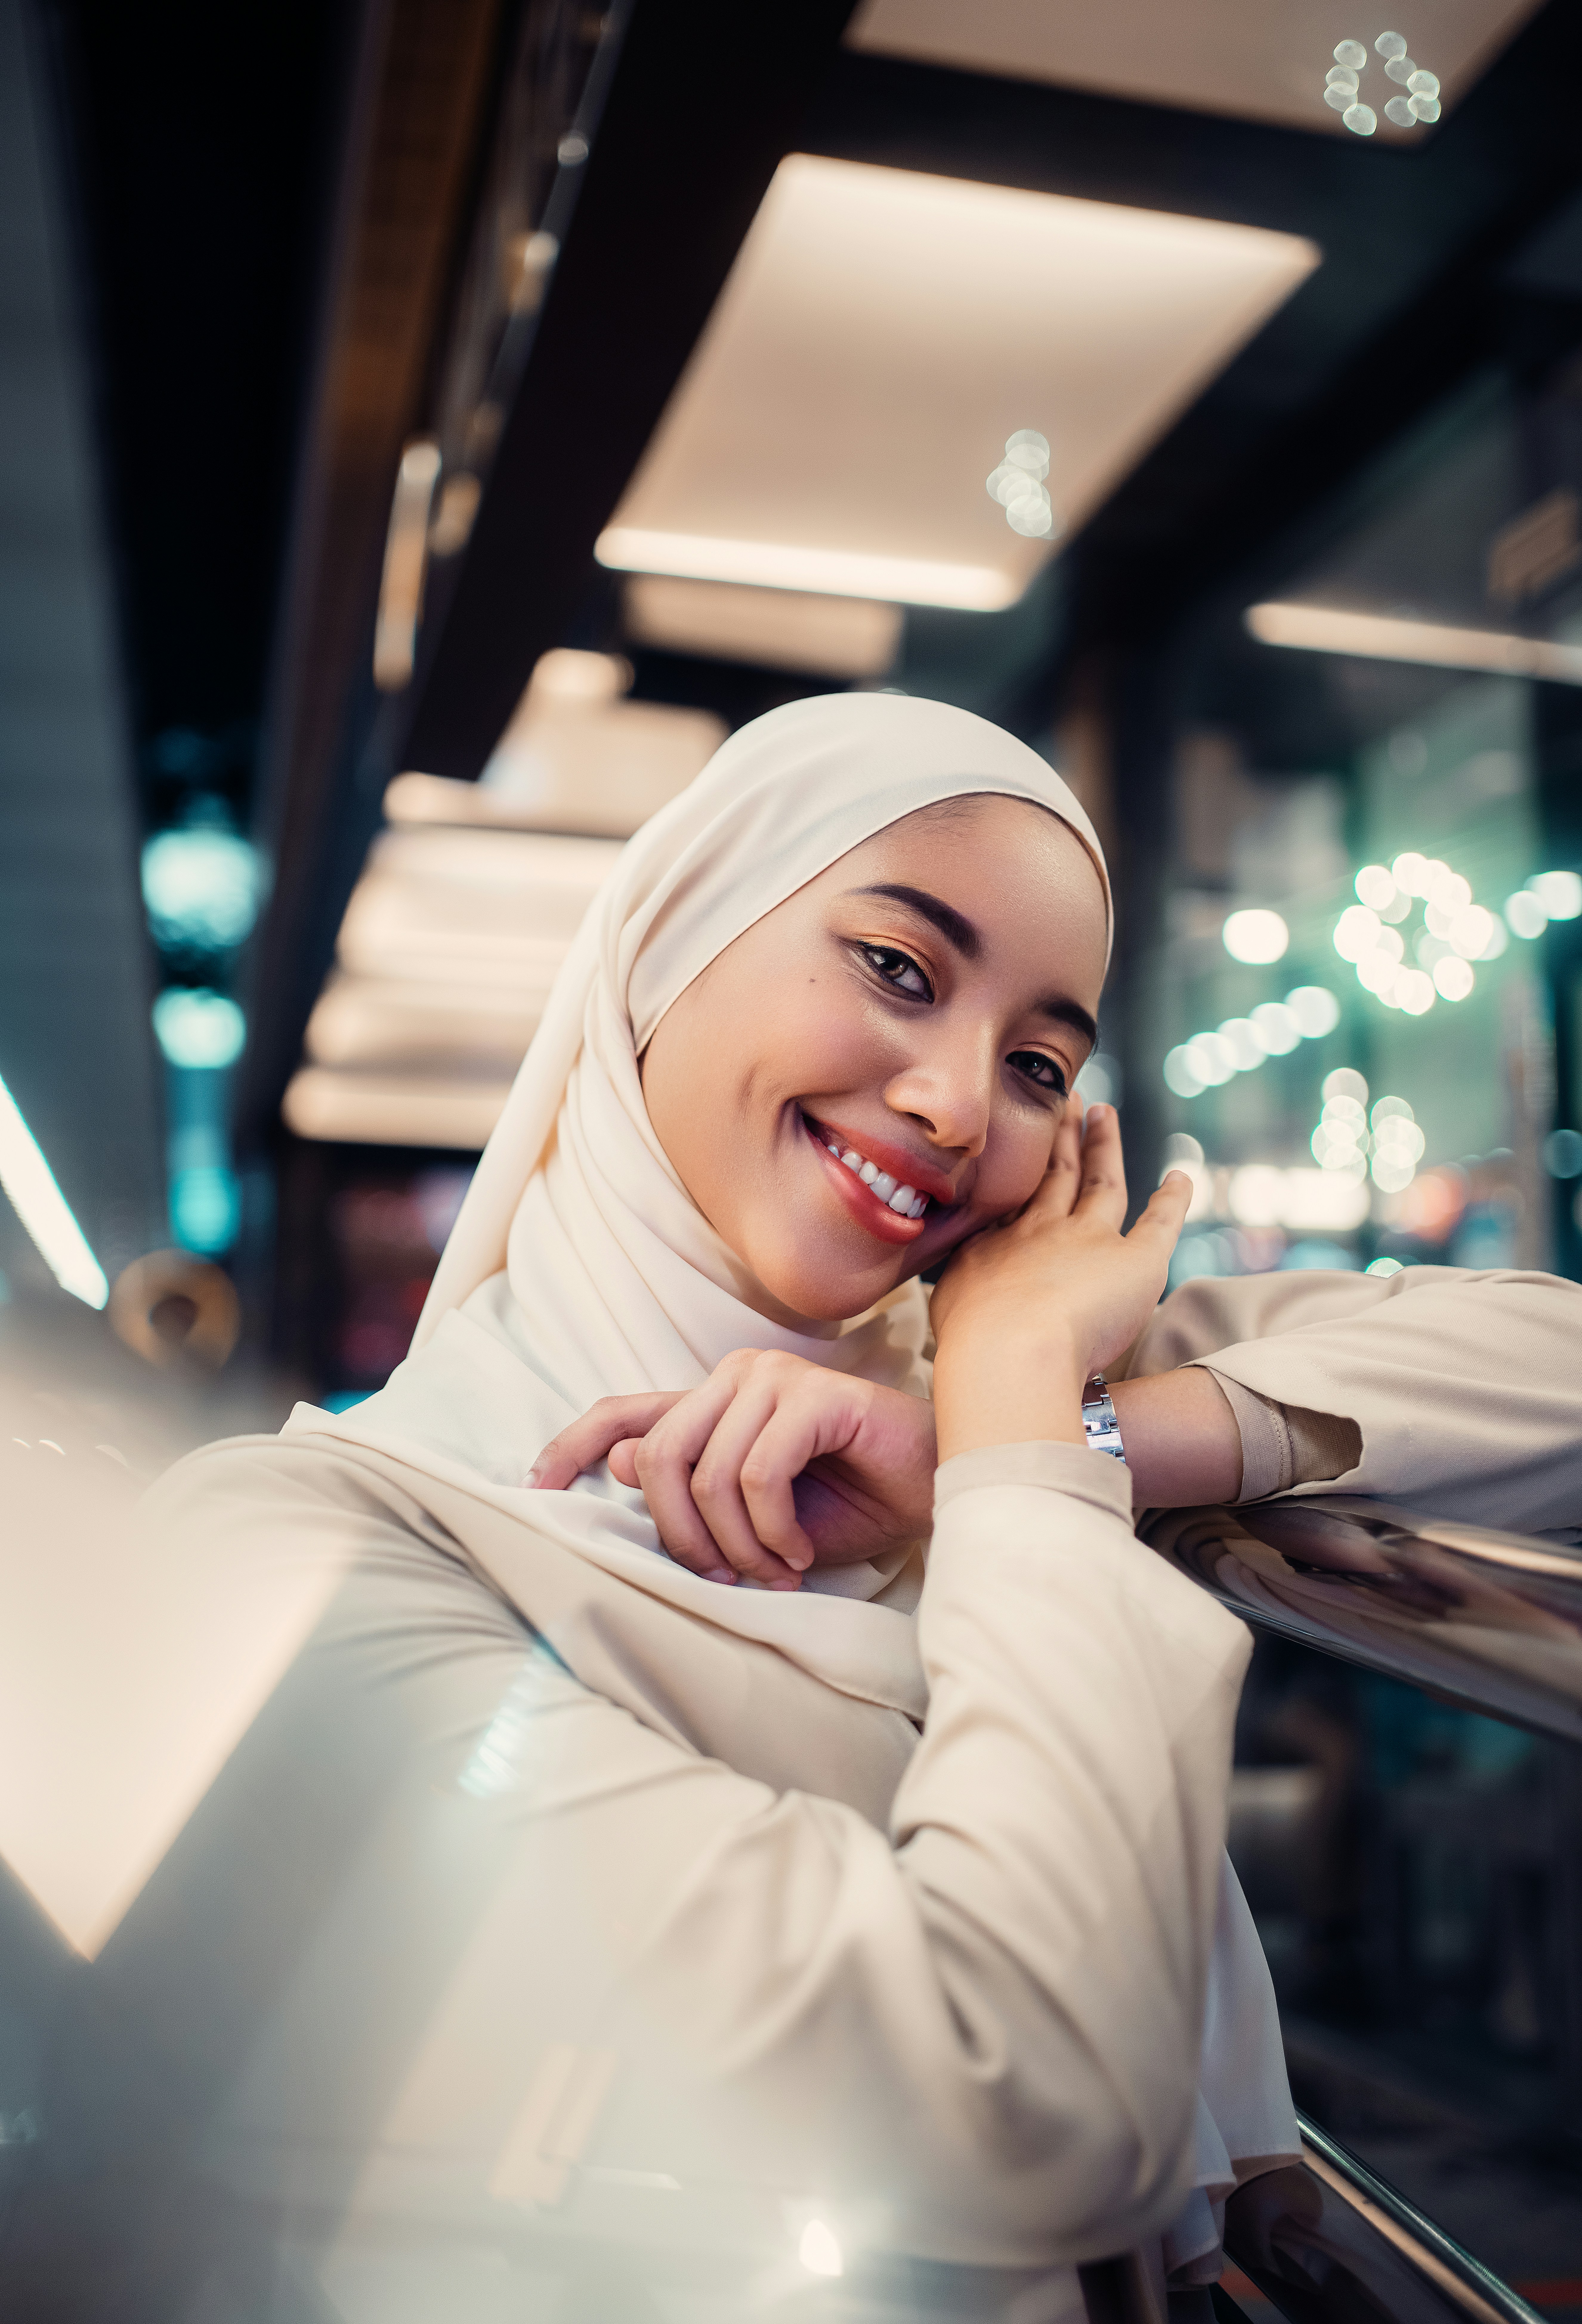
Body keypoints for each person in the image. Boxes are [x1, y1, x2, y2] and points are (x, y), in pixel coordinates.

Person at [56, 693, 1582, 2324]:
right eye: (899, 969)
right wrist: (1017, 1457)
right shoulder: (312, 1549)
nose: (956, 1107)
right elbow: (1017, 2112)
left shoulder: (963, 1377)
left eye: (1038, 1064)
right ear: (671, 941)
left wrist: (1045, 1430)